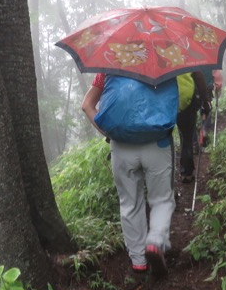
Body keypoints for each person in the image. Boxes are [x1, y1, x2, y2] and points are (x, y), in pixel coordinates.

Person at [81, 73, 175, 277]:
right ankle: (155, 244)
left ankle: (138, 260)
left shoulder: (108, 66)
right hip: (157, 143)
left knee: (130, 203)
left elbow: (87, 105)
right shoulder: (163, 62)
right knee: (161, 199)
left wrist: (109, 133)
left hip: (121, 147)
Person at [176, 71, 211, 183]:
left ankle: (168, 182)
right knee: (186, 137)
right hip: (187, 102)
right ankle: (186, 171)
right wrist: (205, 101)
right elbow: (198, 76)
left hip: (167, 102)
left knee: (169, 140)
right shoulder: (187, 56)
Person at [199, 68, 223, 148]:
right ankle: (205, 129)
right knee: (206, 109)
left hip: (193, 90)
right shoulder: (208, 57)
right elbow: (216, 74)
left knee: (196, 113)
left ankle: (195, 141)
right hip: (206, 88)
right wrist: (218, 86)